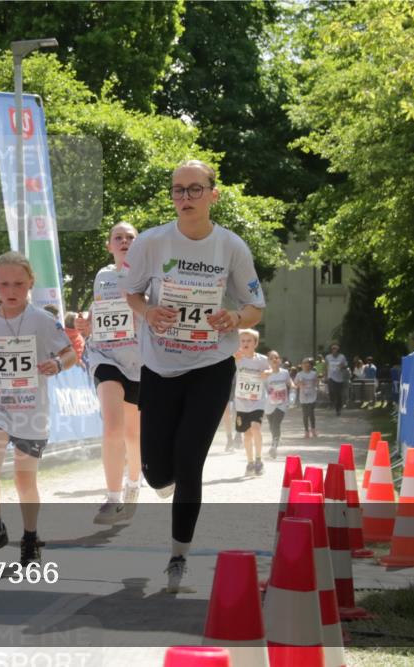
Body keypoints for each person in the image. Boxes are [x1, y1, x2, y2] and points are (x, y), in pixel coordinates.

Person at [121, 159, 265, 593]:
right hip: (161, 366)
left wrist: (235, 316)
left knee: (189, 461)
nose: (185, 197)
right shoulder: (151, 242)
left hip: (210, 366)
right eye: (178, 190)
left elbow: (256, 307)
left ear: (213, 195)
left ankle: (178, 558)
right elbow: (131, 291)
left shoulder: (232, 247)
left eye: (194, 189)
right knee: (156, 472)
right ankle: (164, 483)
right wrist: (149, 311)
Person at [0, 251, 76, 566]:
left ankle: (30, 535)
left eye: (19, 284)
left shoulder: (43, 319)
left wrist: (56, 363)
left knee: (25, 480)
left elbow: (70, 354)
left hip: (31, 410)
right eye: (4, 284)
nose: (11, 291)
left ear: (31, 284)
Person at [75, 222, 145, 524]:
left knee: (133, 433)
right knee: (112, 428)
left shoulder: (149, 274)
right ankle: (112, 498)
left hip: (140, 361)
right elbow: (99, 311)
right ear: (109, 246)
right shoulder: (102, 276)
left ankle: (133, 483)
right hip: (106, 356)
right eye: (119, 237)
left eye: (131, 237)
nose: (125, 241)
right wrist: (86, 324)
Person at [234, 329, 270, 475]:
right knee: (247, 434)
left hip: (258, 400)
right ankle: (249, 462)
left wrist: (265, 373)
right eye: (242, 341)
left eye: (249, 341)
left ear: (255, 343)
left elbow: (268, 371)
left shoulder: (261, 359)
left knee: (256, 428)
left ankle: (259, 460)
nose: (245, 343)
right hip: (242, 402)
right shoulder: (237, 357)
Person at [264, 349, 294, 459]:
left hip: (282, 403)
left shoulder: (284, 373)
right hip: (270, 403)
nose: (274, 360)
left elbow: (289, 382)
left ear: (279, 360)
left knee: (276, 423)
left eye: (276, 357)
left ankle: (274, 446)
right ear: (268, 361)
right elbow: (263, 388)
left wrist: (293, 387)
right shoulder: (266, 374)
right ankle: (275, 439)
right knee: (272, 426)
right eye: (271, 358)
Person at [296, 357, 319, 437]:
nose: (306, 365)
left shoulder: (313, 373)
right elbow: (296, 384)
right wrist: (300, 384)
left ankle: (313, 429)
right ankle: (306, 431)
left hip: (312, 395)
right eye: (304, 363)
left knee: (311, 413)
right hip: (303, 396)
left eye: (307, 364)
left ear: (310, 365)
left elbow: (316, 382)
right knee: (305, 414)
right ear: (302, 365)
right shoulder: (299, 374)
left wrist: (315, 386)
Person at [326, 343, 348, 416]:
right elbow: (326, 366)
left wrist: (342, 366)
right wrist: (325, 376)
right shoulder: (328, 357)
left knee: (338, 395)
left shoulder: (342, 357)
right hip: (331, 377)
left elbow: (345, 365)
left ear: (338, 350)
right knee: (332, 391)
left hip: (339, 378)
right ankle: (332, 402)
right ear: (331, 350)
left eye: (335, 348)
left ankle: (338, 409)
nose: (334, 350)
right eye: (333, 349)